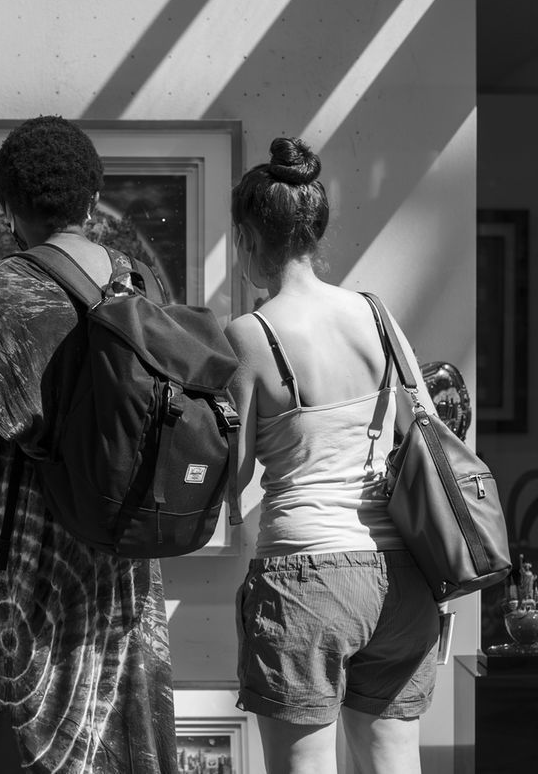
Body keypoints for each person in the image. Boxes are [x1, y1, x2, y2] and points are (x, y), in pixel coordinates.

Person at [0, 115, 177, 774]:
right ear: (93, 200)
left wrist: (31, 471)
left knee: (26, 735)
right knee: (119, 740)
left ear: (8, 205)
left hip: (34, 552)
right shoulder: (137, 285)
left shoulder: (5, 286)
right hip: (123, 548)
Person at [224, 138, 441, 774]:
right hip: (401, 575)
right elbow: (425, 430)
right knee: (394, 765)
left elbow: (235, 484)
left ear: (248, 235)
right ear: (315, 229)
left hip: (306, 574)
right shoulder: (376, 314)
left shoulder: (253, 333)